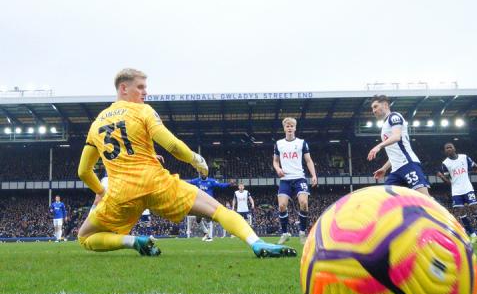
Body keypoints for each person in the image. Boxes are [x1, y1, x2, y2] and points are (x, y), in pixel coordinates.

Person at [76, 68, 295, 257]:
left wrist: (100, 191)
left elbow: (83, 171)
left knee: (85, 237)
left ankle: (133, 241)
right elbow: (171, 145)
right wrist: (196, 160)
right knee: (217, 210)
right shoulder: (142, 111)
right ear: (124, 88)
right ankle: (256, 243)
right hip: (156, 184)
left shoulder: (96, 124)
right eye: (141, 87)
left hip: (120, 194)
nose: (145, 92)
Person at [367, 95, 430, 194]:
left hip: (408, 165)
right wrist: (384, 168)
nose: (373, 110)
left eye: (375, 106)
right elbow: (395, 153)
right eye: (372, 108)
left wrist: (378, 146)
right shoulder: (384, 126)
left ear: (385, 105)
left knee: (425, 199)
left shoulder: (394, 117)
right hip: (396, 171)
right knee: (387, 199)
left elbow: (397, 137)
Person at [437, 142, 477, 244]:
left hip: (467, 188)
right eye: (446, 148)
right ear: (445, 151)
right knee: (461, 213)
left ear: (454, 148)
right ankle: (473, 235)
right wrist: (442, 177)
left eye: (450, 147)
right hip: (456, 191)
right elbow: (450, 181)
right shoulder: (445, 164)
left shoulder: (464, 157)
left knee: (474, 209)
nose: (448, 149)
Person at [274, 117, 318, 245]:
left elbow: (308, 160)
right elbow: (275, 161)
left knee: (304, 203)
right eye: (287, 126)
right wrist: (277, 168)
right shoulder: (279, 144)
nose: (289, 128)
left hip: (299, 177)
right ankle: (285, 233)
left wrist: (313, 175)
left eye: (291, 126)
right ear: (284, 128)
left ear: (295, 128)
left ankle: (302, 232)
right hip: (285, 179)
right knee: (282, 205)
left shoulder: (302, 143)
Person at [186, 174, 236, 241]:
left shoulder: (211, 181)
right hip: (200, 202)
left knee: (208, 219)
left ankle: (210, 237)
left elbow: (220, 185)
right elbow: (189, 182)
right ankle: (206, 231)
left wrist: (229, 184)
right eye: (201, 172)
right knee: (198, 219)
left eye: (204, 172)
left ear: (206, 173)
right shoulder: (197, 180)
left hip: (208, 203)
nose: (203, 174)